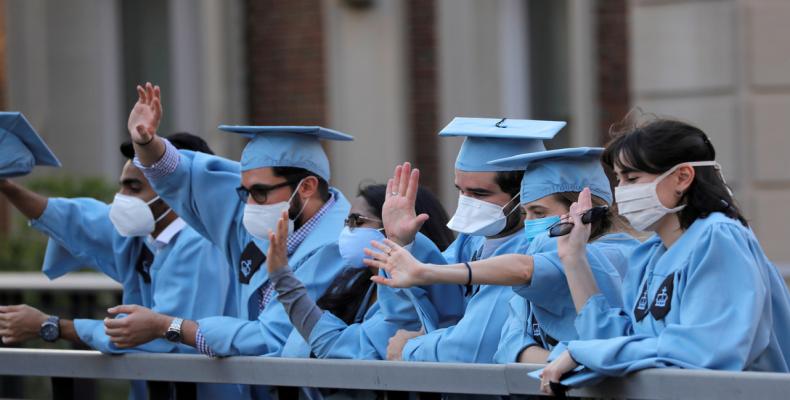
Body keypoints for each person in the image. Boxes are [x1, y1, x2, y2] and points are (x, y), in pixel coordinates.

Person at [112, 83, 353, 399]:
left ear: (306, 187)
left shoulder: (340, 246)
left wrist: (168, 327)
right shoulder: (267, 218)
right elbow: (192, 180)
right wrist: (147, 144)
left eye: (259, 193)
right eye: (245, 192)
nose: (248, 204)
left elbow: (273, 337)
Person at [537, 119, 790, 395]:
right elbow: (617, 341)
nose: (621, 192)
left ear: (682, 177)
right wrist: (574, 257)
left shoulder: (719, 237)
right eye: (618, 179)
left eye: (632, 179)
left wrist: (587, 353)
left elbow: (704, 348)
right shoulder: (651, 253)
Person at [0, 130, 236, 399]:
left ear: (175, 188)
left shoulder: (200, 245)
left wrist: (51, 326)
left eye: (133, 188)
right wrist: (7, 186)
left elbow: (157, 336)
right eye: (122, 185)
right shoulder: (144, 234)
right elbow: (76, 220)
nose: (120, 198)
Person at [366, 147, 638, 364]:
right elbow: (507, 346)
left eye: (540, 213)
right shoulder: (475, 244)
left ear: (586, 210)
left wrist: (411, 346)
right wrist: (563, 360)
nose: (531, 224)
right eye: (526, 213)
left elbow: (524, 270)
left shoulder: (613, 253)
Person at [375, 117, 565, 363]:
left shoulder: (534, 250)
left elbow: (474, 345)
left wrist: (410, 349)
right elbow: (421, 309)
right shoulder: (471, 241)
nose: (467, 202)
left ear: (523, 195)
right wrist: (402, 242)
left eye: (479, 193)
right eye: (460, 191)